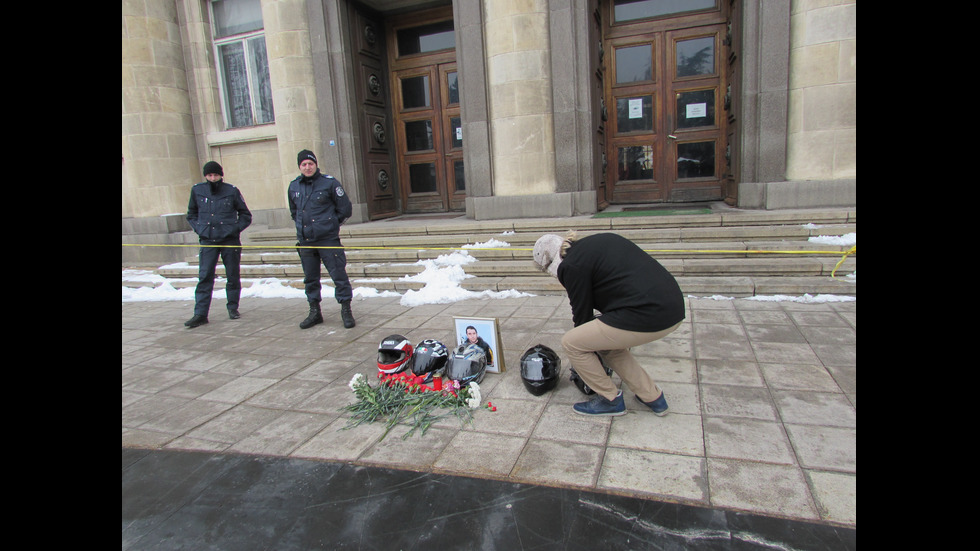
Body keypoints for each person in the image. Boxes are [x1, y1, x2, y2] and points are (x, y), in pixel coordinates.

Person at [532, 231, 685, 416]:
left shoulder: (571, 266)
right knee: (606, 344)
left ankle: (609, 399)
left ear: (551, 262)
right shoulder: (596, 243)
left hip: (648, 312)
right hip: (672, 307)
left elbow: (582, 317)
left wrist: (586, 365)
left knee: (572, 343)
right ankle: (653, 397)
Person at [288, 149, 355, 329]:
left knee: (339, 276)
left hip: (328, 240)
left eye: (311, 164)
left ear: (316, 165)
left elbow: (345, 209)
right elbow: (294, 212)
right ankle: (314, 312)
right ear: (299, 167)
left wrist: (331, 224)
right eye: (304, 164)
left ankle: (346, 310)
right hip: (306, 242)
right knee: (310, 279)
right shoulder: (294, 186)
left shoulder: (329, 183)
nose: (308, 167)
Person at [184, 161, 252, 328]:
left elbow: (245, 215)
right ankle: (200, 313)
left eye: (215, 175)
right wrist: (200, 229)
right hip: (208, 239)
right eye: (210, 175)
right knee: (205, 276)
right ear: (205, 176)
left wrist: (234, 229)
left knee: (232, 275)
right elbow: (191, 214)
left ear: (221, 175)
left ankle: (233, 307)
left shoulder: (231, 191)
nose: (213, 178)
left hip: (229, 240)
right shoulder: (197, 190)